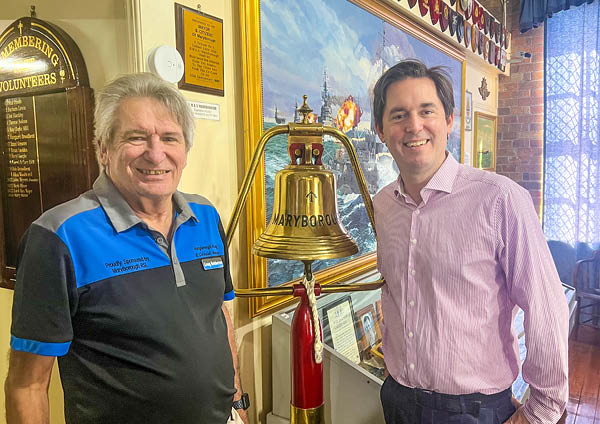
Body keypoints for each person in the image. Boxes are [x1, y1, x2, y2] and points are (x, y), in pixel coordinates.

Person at [5, 73, 249, 424]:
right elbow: (26, 385)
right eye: (136, 138)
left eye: (170, 138)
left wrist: (237, 403)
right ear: (103, 149)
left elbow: (219, 315)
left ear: (185, 151)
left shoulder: (206, 217)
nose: (155, 153)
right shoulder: (59, 237)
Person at [372, 59, 568, 424]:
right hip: (397, 400)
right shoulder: (383, 206)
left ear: (449, 121)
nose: (414, 126)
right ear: (381, 130)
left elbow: (546, 306)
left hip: (473, 412)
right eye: (398, 115)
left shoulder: (499, 199)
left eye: (426, 111)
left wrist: (540, 412)